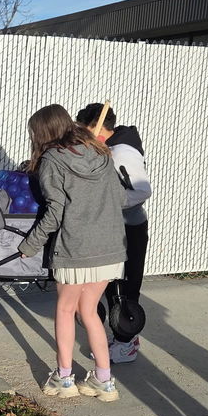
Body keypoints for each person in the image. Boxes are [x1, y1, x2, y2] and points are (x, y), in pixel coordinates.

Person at [17, 104, 126, 402]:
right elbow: (121, 198)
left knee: (66, 310)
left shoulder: (52, 159)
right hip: (110, 248)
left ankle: (64, 378)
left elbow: (55, 212)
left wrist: (30, 245)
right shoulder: (102, 153)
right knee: (89, 312)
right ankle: (104, 380)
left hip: (76, 247)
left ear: (42, 132)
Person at [76, 103, 151, 364]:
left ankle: (127, 342)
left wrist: (109, 202)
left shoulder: (122, 153)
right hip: (114, 227)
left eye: (83, 129)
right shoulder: (109, 148)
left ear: (96, 127)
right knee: (112, 285)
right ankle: (121, 338)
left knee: (127, 287)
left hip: (128, 229)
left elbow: (141, 190)